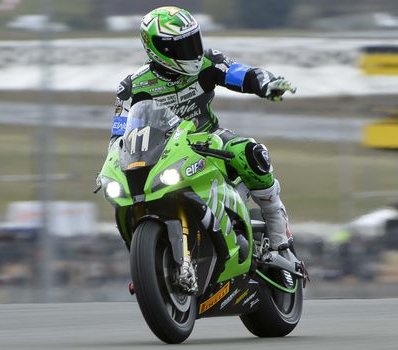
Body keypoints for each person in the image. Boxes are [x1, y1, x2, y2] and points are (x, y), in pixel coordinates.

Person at [112, 6, 296, 250]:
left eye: (193, 41)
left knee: (250, 152)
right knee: (125, 195)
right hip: (160, 154)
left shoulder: (208, 62)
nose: (192, 51)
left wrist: (266, 82)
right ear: (157, 49)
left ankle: (275, 215)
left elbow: (240, 73)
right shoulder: (132, 87)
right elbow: (118, 138)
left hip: (209, 140)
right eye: (181, 45)